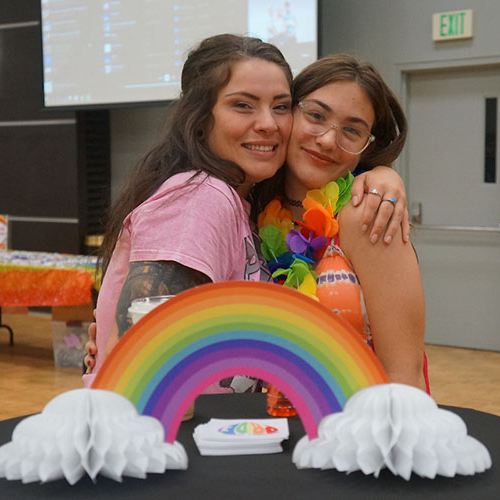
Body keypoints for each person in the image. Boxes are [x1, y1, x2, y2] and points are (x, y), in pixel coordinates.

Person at [83, 36, 413, 389]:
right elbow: (140, 367)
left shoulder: (251, 206)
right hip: (181, 434)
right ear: (198, 117)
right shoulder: (199, 199)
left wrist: (383, 175)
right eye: (243, 105)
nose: (268, 123)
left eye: (280, 107)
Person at [253, 54, 428, 391]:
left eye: (352, 130)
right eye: (316, 116)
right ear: (289, 112)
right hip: (272, 418)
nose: (328, 140)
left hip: (357, 423)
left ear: (367, 145)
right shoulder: (253, 204)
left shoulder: (369, 215)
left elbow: (404, 376)